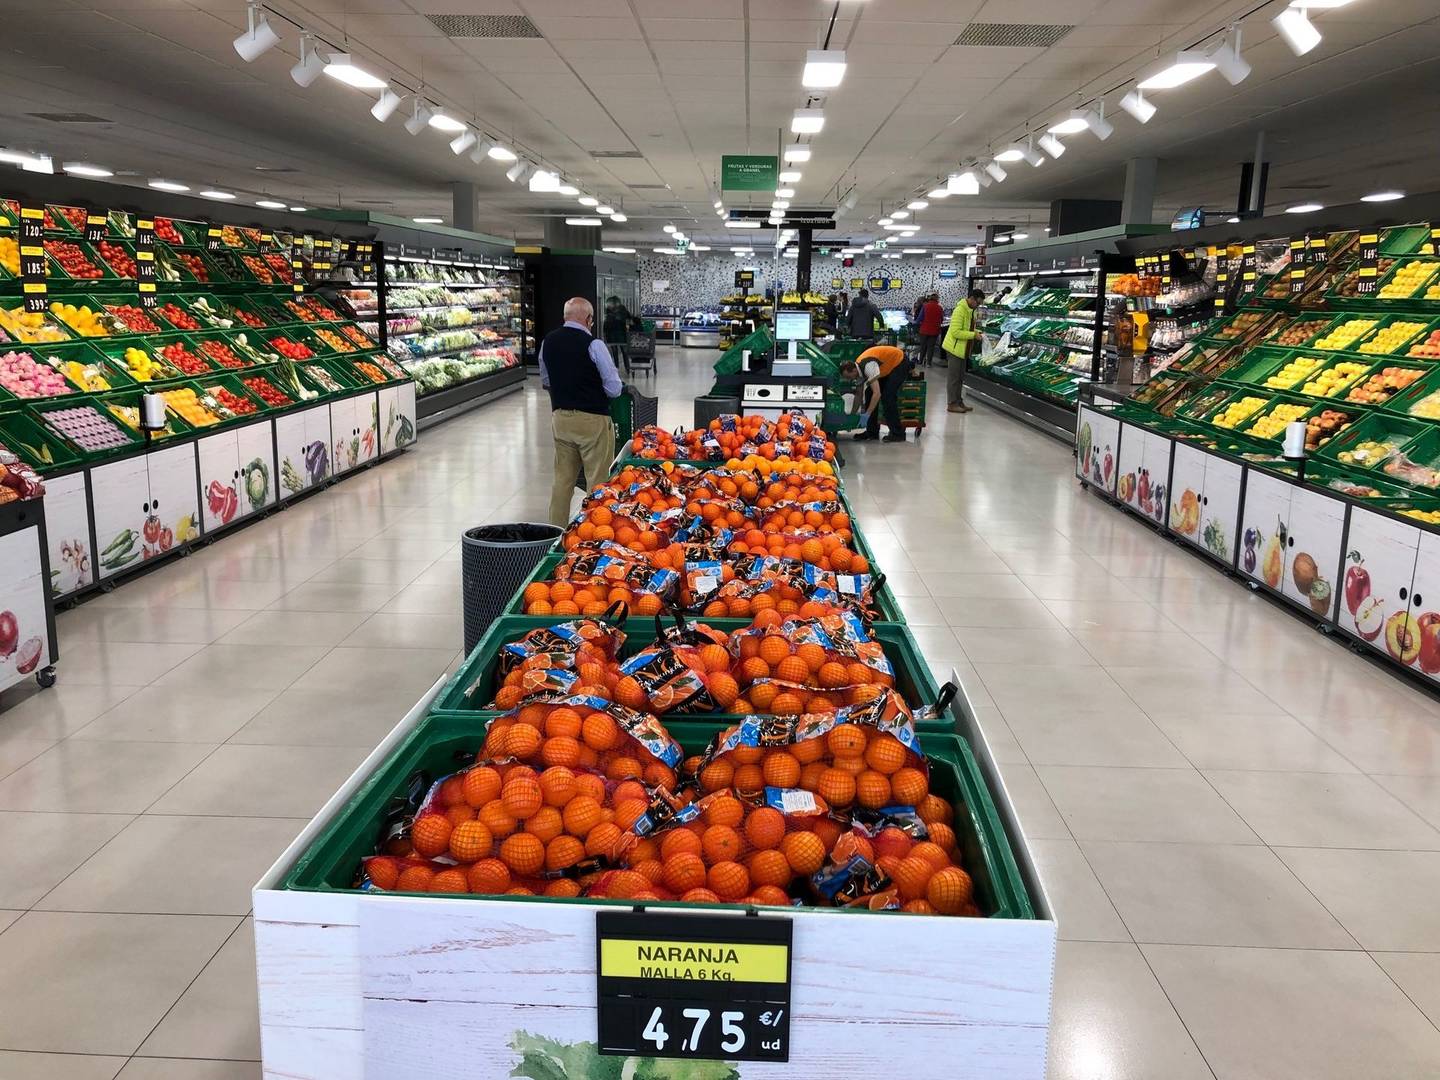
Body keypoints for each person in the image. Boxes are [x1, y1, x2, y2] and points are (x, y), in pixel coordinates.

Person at [540, 297, 623, 526]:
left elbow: (546, 379)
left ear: (565, 317)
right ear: (588, 319)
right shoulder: (594, 344)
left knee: (563, 480)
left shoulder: (548, 342)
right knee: (596, 479)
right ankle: (592, 531)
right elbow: (614, 388)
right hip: (592, 420)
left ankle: (555, 531)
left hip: (561, 419)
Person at [842, 343, 912, 443]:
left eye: (849, 377)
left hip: (899, 362)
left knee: (888, 397)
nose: (849, 380)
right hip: (886, 367)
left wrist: (867, 414)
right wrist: (851, 416)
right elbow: (859, 395)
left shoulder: (868, 366)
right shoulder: (858, 369)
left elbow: (877, 394)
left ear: (853, 370)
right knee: (868, 393)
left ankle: (898, 433)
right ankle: (872, 432)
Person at [941, 288, 984, 414]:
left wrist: (976, 333)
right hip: (955, 349)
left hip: (964, 349)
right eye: (978, 302)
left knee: (960, 378)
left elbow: (968, 328)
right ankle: (951, 403)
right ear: (971, 298)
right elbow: (955, 332)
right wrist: (973, 335)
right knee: (953, 378)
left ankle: (959, 401)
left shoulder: (971, 311)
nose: (978, 305)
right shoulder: (960, 310)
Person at [917, 292, 943, 367]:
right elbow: (941, 319)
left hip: (924, 330)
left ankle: (920, 361)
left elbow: (920, 318)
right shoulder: (940, 308)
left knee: (923, 346)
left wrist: (916, 322)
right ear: (937, 299)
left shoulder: (925, 306)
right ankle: (928, 363)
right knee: (931, 347)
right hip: (934, 331)